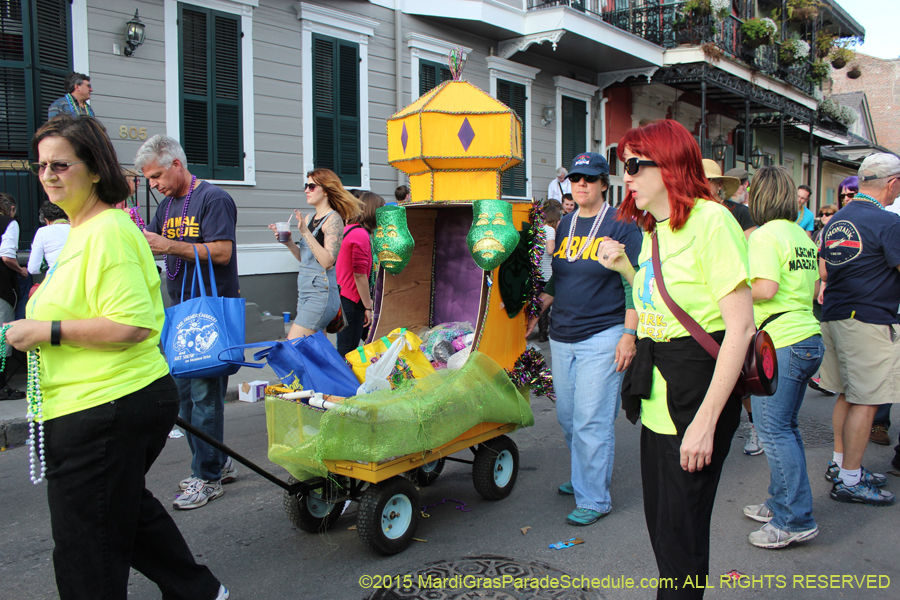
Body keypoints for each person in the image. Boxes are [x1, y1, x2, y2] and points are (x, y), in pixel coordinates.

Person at [4, 115, 228, 600]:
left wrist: (44, 329)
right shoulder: (81, 230)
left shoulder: (108, 230)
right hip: (92, 405)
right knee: (121, 511)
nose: (48, 175)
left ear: (94, 169)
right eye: (41, 166)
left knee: (87, 547)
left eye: (61, 164)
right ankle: (201, 592)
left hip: (104, 406)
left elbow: (133, 324)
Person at [600, 119, 755, 599]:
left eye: (632, 165)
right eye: (621, 165)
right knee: (665, 534)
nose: (624, 176)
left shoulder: (713, 221)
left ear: (667, 164)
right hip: (658, 399)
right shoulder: (655, 229)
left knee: (682, 543)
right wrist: (626, 269)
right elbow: (654, 300)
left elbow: (741, 327)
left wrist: (707, 422)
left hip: (696, 395)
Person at [526, 152, 642, 526]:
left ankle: (594, 497)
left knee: (592, 419)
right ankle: (582, 476)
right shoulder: (566, 223)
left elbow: (635, 283)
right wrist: (538, 309)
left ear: (604, 184)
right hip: (562, 334)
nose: (581, 184)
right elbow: (561, 276)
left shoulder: (623, 225)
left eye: (590, 179)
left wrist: (629, 334)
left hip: (604, 333)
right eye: (576, 178)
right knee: (568, 416)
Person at [136, 135, 240, 510]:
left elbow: (223, 253)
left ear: (177, 164)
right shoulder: (166, 206)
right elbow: (150, 243)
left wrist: (168, 246)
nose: (154, 184)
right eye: (149, 179)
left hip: (209, 313)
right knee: (182, 399)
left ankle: (208, 477)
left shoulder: (213, 198)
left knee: (205, 399)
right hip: (180, 313)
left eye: (157, 175)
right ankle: (216, 462)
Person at [741, 166, 823, 548]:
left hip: (784, 341)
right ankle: (781, 503)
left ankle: (794, 520)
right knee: (785, 429)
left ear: (758, 196)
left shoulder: (765, 235)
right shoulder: (800, 235)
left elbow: (766, 287)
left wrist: (729, 288)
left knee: (774, 431)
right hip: (806, 337)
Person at [818, 153, 900, 507]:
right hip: (868, 318)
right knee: (866, 400)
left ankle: (841, 466)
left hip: (835, 313)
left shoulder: (839, 218)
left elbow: (823, 272)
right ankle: (851, 479)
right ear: (892, 183)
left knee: (846, 394)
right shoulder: (886, 222)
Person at [269, 168, 362, 339]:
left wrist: (305, 233)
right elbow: (306, 259)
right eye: (306, 186)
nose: (306, 190)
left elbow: (327, 261)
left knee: (293, 347)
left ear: (326, 190)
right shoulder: (310, 218)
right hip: (305, 292)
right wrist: (288, 242)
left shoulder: (333, 219)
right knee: (317, 353)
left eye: (311, 186)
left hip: (321, 294)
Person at [336, 191, 383, 357]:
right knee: (347, 352)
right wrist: (368, 307)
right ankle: (344, 382)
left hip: (344, 296)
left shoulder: (349, 229)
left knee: (374, 343)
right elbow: (360, 275)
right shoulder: (360, 234)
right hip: (352, 300)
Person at [0, 193, 27, 399]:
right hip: (1, 287)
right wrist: (21, 271)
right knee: (2, 337)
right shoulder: (9, 223)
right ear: (11, 209)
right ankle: (1, 387)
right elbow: (7, 255)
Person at [537, 201, 562, 343]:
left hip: (538, 272)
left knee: (542, 305)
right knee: (551, 303)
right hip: (548, 272)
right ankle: (550, 332)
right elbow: (550, 250)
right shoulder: (550, 230)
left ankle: (542, 334)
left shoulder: (539, 228)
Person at [27, 201, 70, 275]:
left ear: (46, 220)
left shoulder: (43, 231)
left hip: (55, 278)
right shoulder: (79, 229)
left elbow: (33, 268)